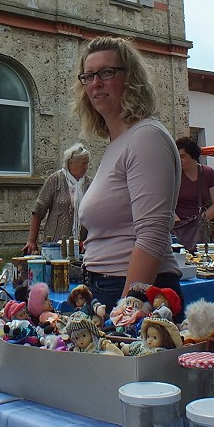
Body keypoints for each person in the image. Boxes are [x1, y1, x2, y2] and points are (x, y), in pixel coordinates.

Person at [73, 36, 183, 320]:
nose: (95, 83)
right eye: (88, 76)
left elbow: (152, 234)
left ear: (131, 79)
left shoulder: (146, 137)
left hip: (134, 292)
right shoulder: (118, 143)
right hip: (105, 288)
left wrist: (127, 308)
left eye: (107, 73)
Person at [23, 143, 91, 254]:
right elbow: (38, 211)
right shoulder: (55, 180)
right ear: (71, 163)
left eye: (87, 163)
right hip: (55, 245)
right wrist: (31, 240)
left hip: (81, 246)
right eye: (83, 163)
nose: (86, 167)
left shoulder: (89, 183)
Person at [172, 136, 214, 250]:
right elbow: (165, 202)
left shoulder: (208, 173)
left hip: (199, 228)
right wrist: (177, 221)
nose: (179, 160)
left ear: (194, 156)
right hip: (177, 228)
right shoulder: (173, 175)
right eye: (177, 156)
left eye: (183, 156)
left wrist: (201, 220)